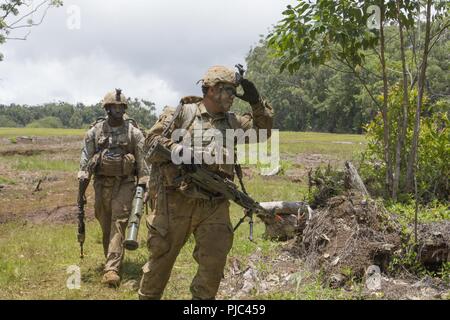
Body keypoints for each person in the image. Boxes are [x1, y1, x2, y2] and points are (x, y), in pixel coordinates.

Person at [138, 65, 274, 299]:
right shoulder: (182, 113)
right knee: (160, 263)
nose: (232, 96)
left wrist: (256, 103)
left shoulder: (233, 123)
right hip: (176, 201)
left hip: (215, 204)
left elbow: (263, 132)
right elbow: (149, 143)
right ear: (210, 90)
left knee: (213, 264)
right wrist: (180, 151)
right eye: (228, 90)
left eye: (234, 91)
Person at [77, 89, 148, 286]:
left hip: (125, 184)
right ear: (107, 109)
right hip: (101, 184)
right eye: (113, 107)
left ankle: (111, 269)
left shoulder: (134, 133)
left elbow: (143, 165)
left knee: (119, 222)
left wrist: (144, 186)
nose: (117, 110)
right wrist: (81, 192)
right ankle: (113, 260)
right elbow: (85, 164)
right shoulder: (94, 132)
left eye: (121, 107)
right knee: (105, 222)